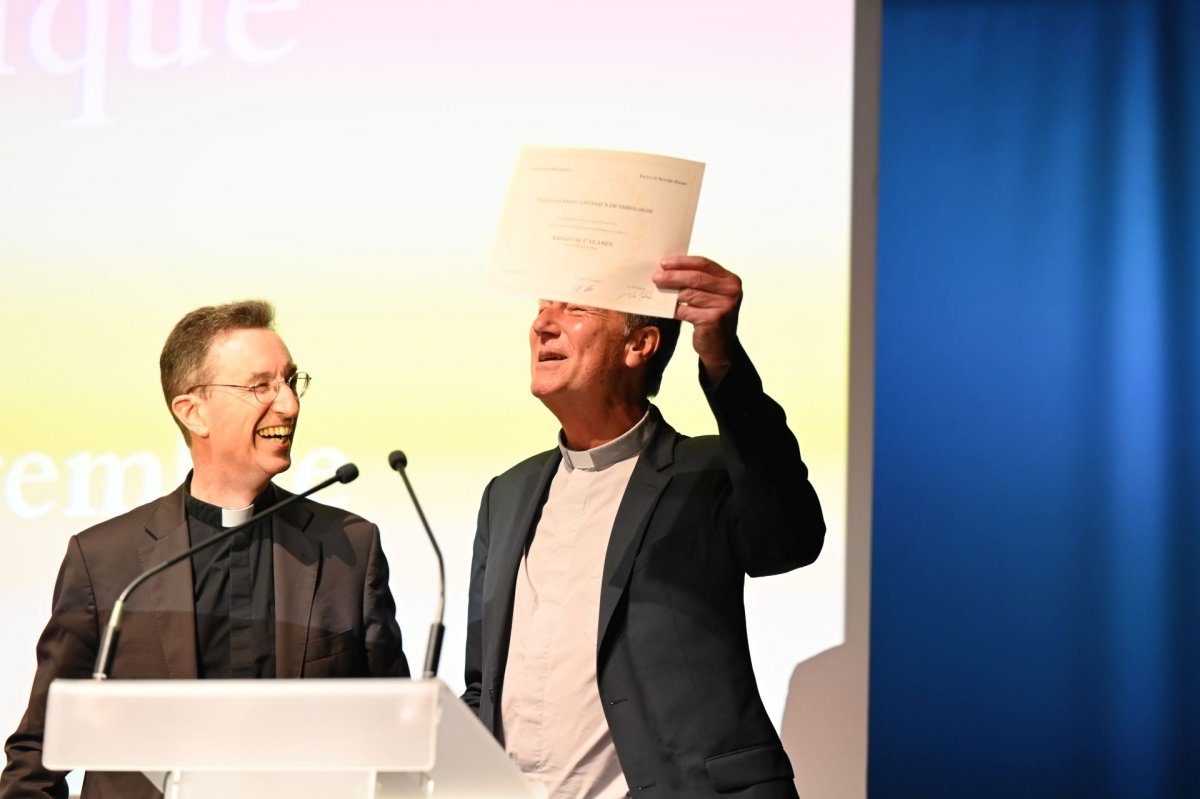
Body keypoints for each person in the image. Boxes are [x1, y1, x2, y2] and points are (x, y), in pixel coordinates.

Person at [1, 300, 409, 799]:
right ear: (193, 412)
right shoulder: (107, 562)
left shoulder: (349, 548)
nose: (289, 405)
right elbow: (38, 759)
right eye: (261, 386)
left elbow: (397, 746)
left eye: (291, 381)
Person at [464, 256, 825, 798]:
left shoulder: (709, 474)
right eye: (541, 308)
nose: (543, 324)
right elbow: (482, 687)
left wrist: (722, 356)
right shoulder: (506, 495)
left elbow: (790, 540)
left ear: (640, 345)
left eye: (575, 306)